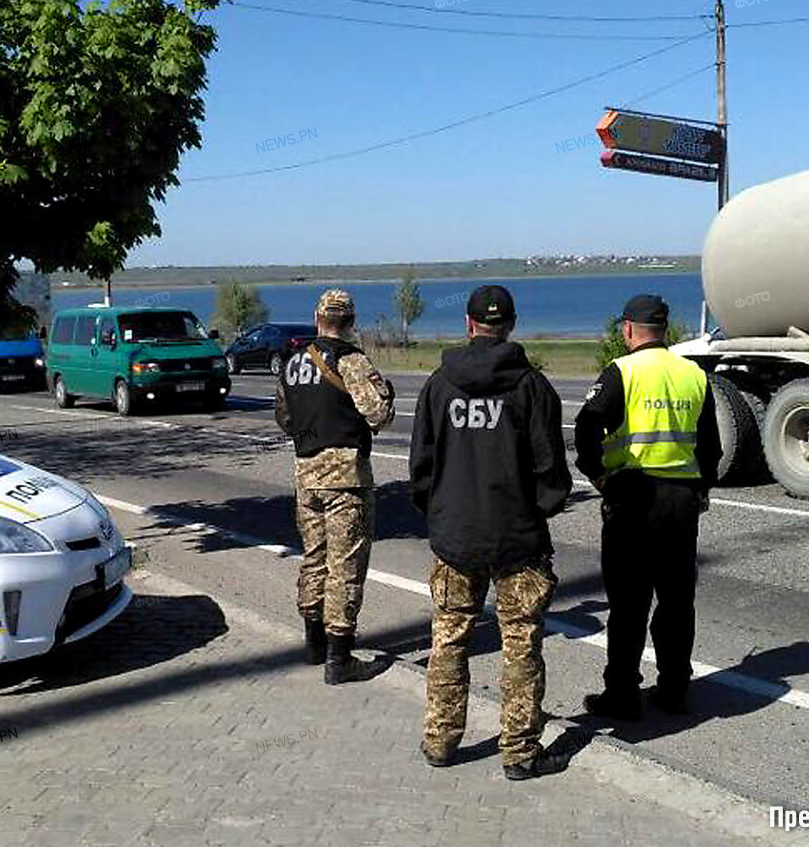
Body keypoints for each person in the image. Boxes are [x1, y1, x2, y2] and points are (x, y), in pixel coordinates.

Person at [409, 285, 572, 780]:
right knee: (520, 642)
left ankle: (440, 740)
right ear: (512, 325)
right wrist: (537, 511)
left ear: (468, 322)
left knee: (449, 638)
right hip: (517, 539)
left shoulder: (440, 385)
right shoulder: (532, 387)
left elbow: (421, 468)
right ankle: (520, 751)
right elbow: (551, 473)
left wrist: (440, 513)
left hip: (456, 537)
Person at [573, 294, 721, 719]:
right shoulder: (693, 375)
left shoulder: (623, 371)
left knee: (629, 604)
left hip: (633, 499)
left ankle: (622, 695)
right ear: (666, 331)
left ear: (627, 330)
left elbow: (586, 427)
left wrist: (598, 475)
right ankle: (675, 689)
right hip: (681, 502)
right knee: (676, 602)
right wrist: (702, 488)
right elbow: (711, 445)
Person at [274, 289, 396, 685]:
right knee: (344, 566)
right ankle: (339, 658)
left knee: (314, 556)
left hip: (305, 473)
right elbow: (378, 415)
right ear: (351, 321)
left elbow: (285, 418)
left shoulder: (293, 363)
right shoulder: (352, 361)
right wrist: (386, 394)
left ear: (316, 317)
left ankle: (313, 644)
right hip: (345, 477)